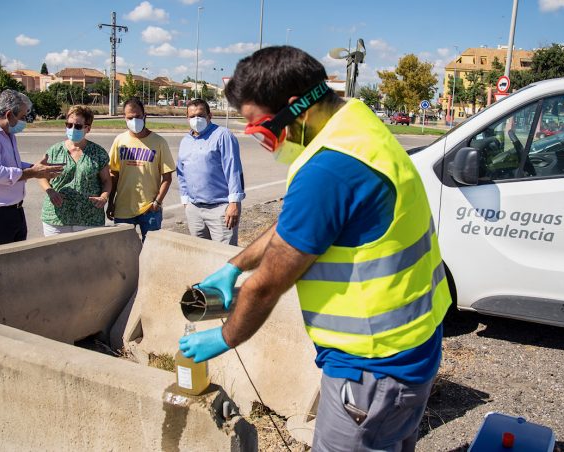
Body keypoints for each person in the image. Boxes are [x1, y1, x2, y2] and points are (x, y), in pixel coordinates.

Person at [178, 46, 452, 451]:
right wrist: (234, 266)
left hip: (371, 369)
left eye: (261, 128)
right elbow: (296, 224)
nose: (261, 141)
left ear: (295, 108)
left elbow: (267, 286)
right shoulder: (357, 126)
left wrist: (225, 336)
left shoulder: (329, 169)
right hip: (413, 348)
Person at [0, 89, 63, 247]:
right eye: (22, 117)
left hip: (13, 211)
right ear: (9, 115)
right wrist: (33, 173)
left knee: (15, 261)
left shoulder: (6, 133)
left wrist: (35, 167)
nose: (24, 122)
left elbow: (10, 165)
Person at [176, 98, 245, 245]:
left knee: (224, 257)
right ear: (187, 118)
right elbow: (181, 173)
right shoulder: (185, 141)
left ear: (209, 115)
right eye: (192, 116)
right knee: (200, 255)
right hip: (194, 210)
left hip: (221, 209)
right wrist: (186, 202)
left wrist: (234, 203)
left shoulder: (222, 135)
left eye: (200, 115)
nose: (196, 119)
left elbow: (233, 170)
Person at [106, 97, 175, 242]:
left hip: (149, 209)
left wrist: (157, 202)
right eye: (130, 117)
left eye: (137, 117)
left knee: (151, 251)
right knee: (123, 252)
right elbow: (113, 174)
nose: (134, 121)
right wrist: (111, 201)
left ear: (145, 116)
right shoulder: (119, 141)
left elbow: (167, 177)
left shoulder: (159, 142)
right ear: (124, 118)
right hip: (123, 208)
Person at [38, 105, 112, 236]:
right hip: (56, 217)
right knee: (56, 255)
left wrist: (104, 197)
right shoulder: (55, 151)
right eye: (69, 125)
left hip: (89, 218)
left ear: (87, 128)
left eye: (77, 126)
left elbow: (106, 180)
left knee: (86, 256)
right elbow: (41, 175)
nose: (72, 129)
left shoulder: (98, 153)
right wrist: (50, 191)